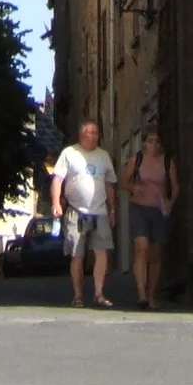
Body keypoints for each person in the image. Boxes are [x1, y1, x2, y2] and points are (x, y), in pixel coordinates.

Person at [51, 118, 117, 308]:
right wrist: (56, 202)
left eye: (96, 132)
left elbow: (110, 183)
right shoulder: (69, 153)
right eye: (90, 132)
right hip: (75, 211)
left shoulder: (103, 156)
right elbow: (57, 180)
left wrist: (112, 209)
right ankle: (78, 295)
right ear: (81, 134)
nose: (94, 136)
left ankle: (98, 293)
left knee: (102, 253)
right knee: (77, 254)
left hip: (100, 210)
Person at [121, 126, 179, 310]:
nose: (153, 144)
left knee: (155, 255)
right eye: (150, 140)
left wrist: (170, 201)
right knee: (141, 248)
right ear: (144, 143)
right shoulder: (136, 160)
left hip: (159, 210)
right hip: (139, 208)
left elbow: (176, 186)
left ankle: (152, 293)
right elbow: (124, 182)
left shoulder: (167, 161)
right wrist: (133, 188)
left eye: (157, 141)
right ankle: (142, 295)